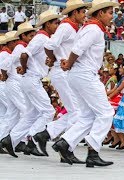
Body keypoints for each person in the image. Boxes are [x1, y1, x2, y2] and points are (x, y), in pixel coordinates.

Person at [53, 0, 119, 167]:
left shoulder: (87, 27)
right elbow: (77, 50)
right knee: (106, 113)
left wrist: (69, 64)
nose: (112, 16)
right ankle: (93, 151)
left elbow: (76, 50)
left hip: (78, 74)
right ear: (101, 13)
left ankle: (66, 142)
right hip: (85, 74)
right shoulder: (94, 29)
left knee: (87, 115)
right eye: (110, 12)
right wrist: (68, 63)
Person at [34, 0, 90, 164]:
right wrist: (53, 60)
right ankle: (66, 148)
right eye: (82, 12)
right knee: (78, 112)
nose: (84, 15)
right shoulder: (65, 27)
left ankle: (47, 134)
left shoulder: (71, 27)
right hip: (62, 71)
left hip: (65, 71)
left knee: (76, 111)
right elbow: (50, 45)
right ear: (74, 13)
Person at [1, 10, 60, 158]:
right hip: (30, 79)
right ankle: (32, 140)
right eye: (55, 23)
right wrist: (23, 69)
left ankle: (11, 139)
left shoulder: (42, 38)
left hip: (28, 79)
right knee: (48, 111)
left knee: (29, 114)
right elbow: (23, 55)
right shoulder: (40, 38)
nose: (57, 25)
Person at [0, 22, 39, 156]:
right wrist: (4, 76)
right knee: (26, 111)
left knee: (11, 114)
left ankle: (4, 140)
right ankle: (22, 142)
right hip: (13, 83)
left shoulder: (17, 48)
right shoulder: (18, 48)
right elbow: (4, 65)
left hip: (12, 83)